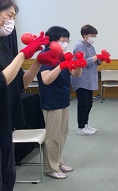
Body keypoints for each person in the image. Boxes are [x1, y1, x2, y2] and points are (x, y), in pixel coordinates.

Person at [0, 0, 50, 190]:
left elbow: (21, 83)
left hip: (4, 123)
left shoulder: (4, 46)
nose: (12, 21)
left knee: (8, 177)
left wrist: (38, 61)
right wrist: (23, 54)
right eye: (9, 15)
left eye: (14, 17)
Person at [37, 26, 84, 179]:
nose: (65, 43)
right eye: (62, 40)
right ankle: (51, 168)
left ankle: (58, 161)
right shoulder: (46, 56)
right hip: (52, 101)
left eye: (66, 40)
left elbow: (75, 74)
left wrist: (79, 65)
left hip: (64, 99)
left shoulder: (62, 55)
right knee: (53, 136)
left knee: (63, 134)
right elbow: (46, 79)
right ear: (52, 41)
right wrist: (60, 66)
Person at [71, 24, 101, 135]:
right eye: (91, 35)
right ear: (84, 35)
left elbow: (94, 61)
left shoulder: (91, 47)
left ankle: (86, 124)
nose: (93, 38)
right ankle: (81, 127)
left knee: (89, 103)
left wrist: (100, 58)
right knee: (83, 104)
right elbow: (82, 62)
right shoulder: (80, 46)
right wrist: (95, 57)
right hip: (82, 79)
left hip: (90, 79)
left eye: (95, 36)